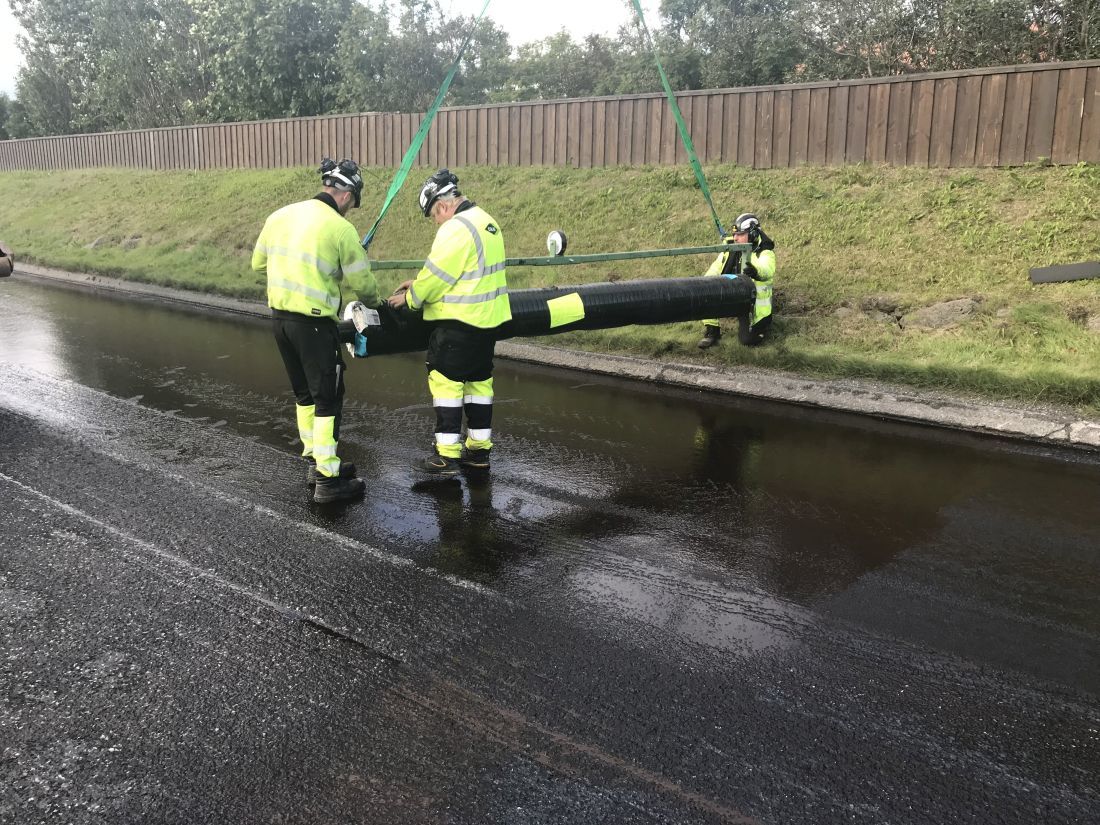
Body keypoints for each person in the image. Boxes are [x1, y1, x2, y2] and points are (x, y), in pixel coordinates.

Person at [252, 158, 381, 503]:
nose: (351, 210)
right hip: (314, 326)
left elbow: (257, 262)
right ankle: (327, 480)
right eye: (353, 203)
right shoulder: (340, 229)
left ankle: (318, 461)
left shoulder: (279, 216)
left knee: (305, 395)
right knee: (328, 396)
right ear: (347, 194)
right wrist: (378, 302)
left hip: (281, 321)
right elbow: (362, 284)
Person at [388, 169, 511, 477]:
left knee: (447, 385)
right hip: (488, 323)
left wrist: (413, 296)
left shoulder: (455, 228)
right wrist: (419, 283)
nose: (435, 221)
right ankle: (479, 453)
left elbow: (438, 277)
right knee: (478, 386)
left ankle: (446, 457)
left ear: (442, 205)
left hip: (459, 324)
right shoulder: (487, 221)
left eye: (433, 215)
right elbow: (466, 272)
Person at [698, 213, 775, 348]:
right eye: (734, 234)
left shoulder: (765, 252)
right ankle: (712, 332)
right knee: (706, 290)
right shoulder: (730, 249)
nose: (735, 238)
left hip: (751, 304)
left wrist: (756, 271)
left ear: (752, 233)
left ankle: (760, 328)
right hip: (732, 295)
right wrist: (705, 285)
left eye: (739, 234)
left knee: (747, 340)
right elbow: (715, 269)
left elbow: (767, 269)